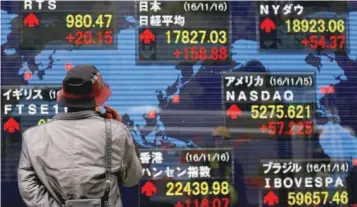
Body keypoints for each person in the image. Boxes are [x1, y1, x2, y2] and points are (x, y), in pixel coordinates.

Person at [17, 65, 143, 207]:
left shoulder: (33, 136)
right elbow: (132, 178)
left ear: (64, 96)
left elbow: (28, 185)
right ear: (98, 98)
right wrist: (123, 132)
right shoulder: (117, 132)